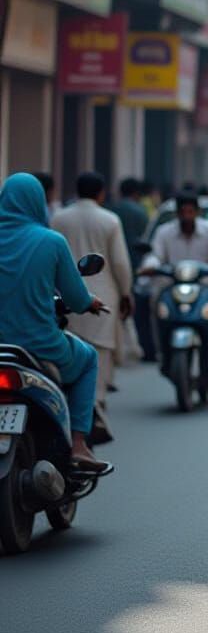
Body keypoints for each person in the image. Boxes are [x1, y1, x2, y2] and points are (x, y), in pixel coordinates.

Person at [0, 174, 109, 470]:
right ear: (38, 202)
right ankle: (77, 444)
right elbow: (74, 297)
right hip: (40, 345)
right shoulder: (50, 241)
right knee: (87, 359)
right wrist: (90, 303)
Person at [51, 172, 134, 407]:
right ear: (101, 193)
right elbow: (119, 263)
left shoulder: (58, 218)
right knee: (100, 351)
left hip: (63, 294)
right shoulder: (109, 220)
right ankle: (96, 404)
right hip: (103, 293)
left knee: (69, 349)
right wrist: (126, 292)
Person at [139, 192, 208, 365]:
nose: (187, 216)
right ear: (177, 213)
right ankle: (161, 349)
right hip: (171, 284)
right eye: (183, 212)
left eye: (190, 212)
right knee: (155, 301)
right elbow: (156, 255)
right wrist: (150, 266)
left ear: (197, 212)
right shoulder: (163, 232)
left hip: (205, 284)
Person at [110, 178, 150, 270]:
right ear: (137, 192)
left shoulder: (112, 210)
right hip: (136, 258)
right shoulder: (141, 211)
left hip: (114, 258)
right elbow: (146, 236)